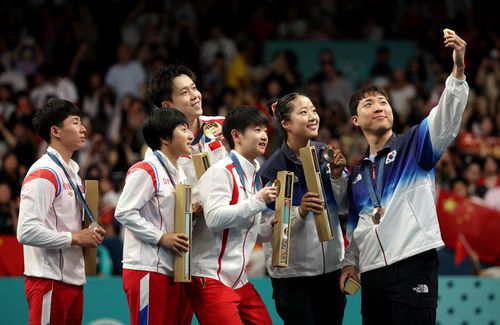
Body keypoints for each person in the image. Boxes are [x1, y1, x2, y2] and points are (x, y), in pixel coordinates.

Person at [340, 31, 468, 324]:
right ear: (355, 120)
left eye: (383, 102)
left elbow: (445, 118)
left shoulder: (414, 145)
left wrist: (457, 74)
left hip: (412, 262)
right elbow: (356, 226)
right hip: (372, 273)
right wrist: (350, 264)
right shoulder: (358, 173)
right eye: (369, 104)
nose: (379, 107)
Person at [259, 93, 348, 324]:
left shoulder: (327, 156)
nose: (312, 117)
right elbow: (262, 229)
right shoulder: (272, 169)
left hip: (331, 270)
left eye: (314, 110)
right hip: (292, 276)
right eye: (303, 112)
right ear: (286, 124)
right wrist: (298, 212)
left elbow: (345, 206)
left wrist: (338, 177)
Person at [17, 98, 106, 325]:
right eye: (76, 122)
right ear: (55, 131)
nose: (83, 128)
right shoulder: (43, 172)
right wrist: (75, 238)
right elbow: (25, 231)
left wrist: (88, 233)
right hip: (48, 280)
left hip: (73, 280)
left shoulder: (72, 173)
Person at [189, 106, 277, 324]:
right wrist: (258, 201)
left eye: (265, 130)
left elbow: (245, 231)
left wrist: (272, 229)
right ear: (236, 135)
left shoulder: (254, 174)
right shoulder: (221, 171)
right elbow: (215, 219)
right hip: (210, 277)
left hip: (239, 280)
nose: (264, 136)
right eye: (256, 130)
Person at [114, 108, 194, 325]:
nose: (190, 135)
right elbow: (123, 211)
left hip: (172, 268)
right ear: (164, 138)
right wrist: (161, 237)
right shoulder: (146, 169)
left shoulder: (181, 173)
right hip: (147, 268)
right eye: (183, 129)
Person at [147, 64, 227, 191]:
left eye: (194, 88)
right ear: (167, 106)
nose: (195, 95)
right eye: (184, 92)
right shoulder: (159, 148)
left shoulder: (222, 125)